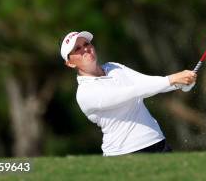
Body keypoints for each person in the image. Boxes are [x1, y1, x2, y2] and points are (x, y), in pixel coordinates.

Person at [60, 31, 196, 156]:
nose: (85, 48)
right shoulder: (85, 93)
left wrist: (181, 83)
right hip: (125, 154)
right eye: (77, 49)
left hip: (158, 143)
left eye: (86, 43)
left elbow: (149, 83)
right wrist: (172, 79)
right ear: (70, 63)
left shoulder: (114, 67)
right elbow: (133, 92)